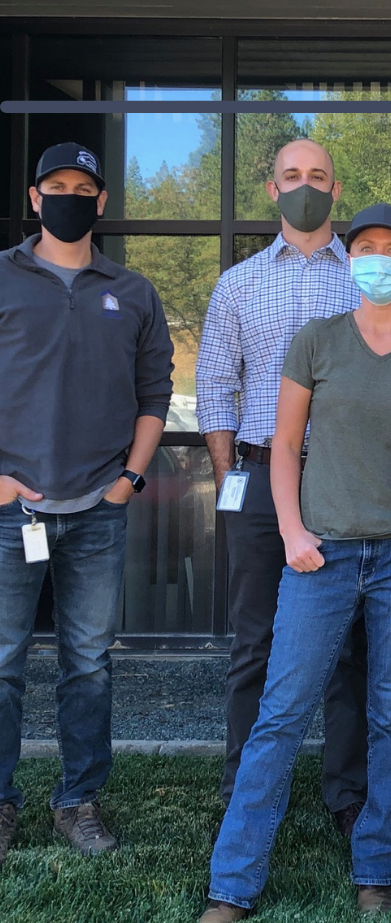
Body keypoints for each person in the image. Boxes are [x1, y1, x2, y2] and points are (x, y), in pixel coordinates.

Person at [198, 204, 391, 922]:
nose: (378, 258)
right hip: (322, 554)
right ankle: (234, 881)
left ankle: (377, 865)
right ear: (353, 259)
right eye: (366, 246)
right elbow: (283, 445)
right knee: (281, 713)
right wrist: (290, 531)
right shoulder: (317, 340)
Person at [0, 143, 173, 864]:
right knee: (2, 661)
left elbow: (154, 394)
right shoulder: (4, 278)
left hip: (98, 512)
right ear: (36, 198)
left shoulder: (131, 291)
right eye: (56, 185)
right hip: (13, 513)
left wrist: (129, 479)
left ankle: (78, 799)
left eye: (83, 187)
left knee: (89, 663)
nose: (69, 196)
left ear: (101, 203)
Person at [195, 138, 369, 837]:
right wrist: (228, 476)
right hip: (260, 478)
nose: (305, 186)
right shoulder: (237, 283)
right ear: (271, 190)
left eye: (318, 176)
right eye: (292, 176)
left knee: (346, 647)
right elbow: (214, 384)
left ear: (335, 189)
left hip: (345, 479)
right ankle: (246, 787)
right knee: (254, 643)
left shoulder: (364, 277)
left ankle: (347, 797)